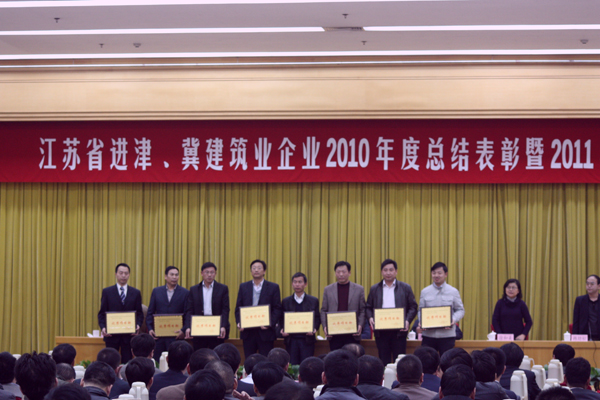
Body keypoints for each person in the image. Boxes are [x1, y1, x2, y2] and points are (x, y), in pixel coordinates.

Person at [366, 259, 418, 364]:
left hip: (399, 332)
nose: (388, 273)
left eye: (391, 270)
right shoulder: (375, 289)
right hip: (381, 332)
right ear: (381, 272)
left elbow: (413, 307)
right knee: (383, 360)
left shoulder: (405, 288)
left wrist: (407, 321)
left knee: (399, 361)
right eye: (385, 270)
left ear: (396, 271)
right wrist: (370, 318)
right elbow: (368, 307)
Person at [235, 259, 283, 357]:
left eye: (259, 268)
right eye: (254, 268)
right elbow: (238, 307)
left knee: (265, 360)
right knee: (249, 359)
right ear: (251, 271)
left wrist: (269, 323)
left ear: (264, 271)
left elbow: (277, 308)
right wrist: (240, 322)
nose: (256, 270)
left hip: (265, 332)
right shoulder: (244, 286)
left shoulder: (273, 287)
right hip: (248, 332)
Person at [98, 263, 144, 363]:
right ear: (116, 274)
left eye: (126, 273)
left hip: (128, 337)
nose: (123, 275)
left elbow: (140, 314)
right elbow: (102, 314)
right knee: (110, 362)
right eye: (121, 273)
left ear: (129, 275)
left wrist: (138, 325)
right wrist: (103, 327)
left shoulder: (135, 293)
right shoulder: (107, 292)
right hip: (111, 336)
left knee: (127, 363)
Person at [417, 262, 464, 356]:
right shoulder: (425, 291)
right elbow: (420, 310)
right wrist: (421, 321)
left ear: (445, 274)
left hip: (447, 335)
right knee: (427, 361)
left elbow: (460, 310)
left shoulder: (453, 291)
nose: (436, 275)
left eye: (439, 273)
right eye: (434, 273)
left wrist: (453, 319)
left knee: (446, 361)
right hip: (429, 335)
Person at [147, 266, 190, 361]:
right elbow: (150, 312)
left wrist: (183, 330)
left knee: (176, 361)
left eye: (176, 275)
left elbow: (188, 314)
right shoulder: (156, 291)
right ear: (166, 276)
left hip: (176, 335)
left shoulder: (185, 292)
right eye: (172, 274)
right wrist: (150, 329)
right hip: (159, 335)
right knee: (158, 360)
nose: (174, 277)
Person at [321, 261, 366, 351]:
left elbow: (362, 310)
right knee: (336, 357)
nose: (341, 274)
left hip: (352, 333)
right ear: (335, 273)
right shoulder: (328, 289)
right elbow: (323, 310)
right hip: (334, 332)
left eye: (344, 272)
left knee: (352, 357)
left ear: (349, 273)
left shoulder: (359, 289)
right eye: (338, 272)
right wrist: (325, 326)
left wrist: (360, 325)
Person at [184, 262, 230, 350]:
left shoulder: (222, 288)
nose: (209, 275)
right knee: (199, 354)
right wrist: (188, 327)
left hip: (216, 328)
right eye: (207, 272)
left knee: (216, 353)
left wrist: (223, 326)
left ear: (215, 274)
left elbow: (225, 309)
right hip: (199, 328)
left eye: (212, 272)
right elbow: (189, 310)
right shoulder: (194, 289)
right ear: (202, 273)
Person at [280, 272, 320, 365]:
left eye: (300, 282)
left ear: (305, 284)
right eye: (295, 282)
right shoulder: (286, 301)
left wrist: (314, 328)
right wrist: (282, 330)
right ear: (292, 284)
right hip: (291, 340)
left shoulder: (313, 300)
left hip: (307, 340)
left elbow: (317, 318)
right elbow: (281, 319)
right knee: (292, 365)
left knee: (307, 365)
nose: (297, 284)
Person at [573, 275, 600, 340]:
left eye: (592, 284)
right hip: (584, 337)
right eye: (587, 284)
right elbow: (576, 321)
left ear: (599, 286)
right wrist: (574, 339)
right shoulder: (580, 300)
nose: (589, 286)